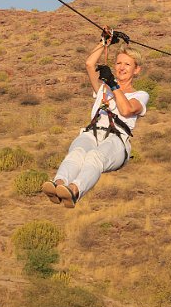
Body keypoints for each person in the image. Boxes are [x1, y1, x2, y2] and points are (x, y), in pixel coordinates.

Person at [42, 30, 149, 208]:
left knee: (94, 157)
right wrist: (104, 42)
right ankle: (59, 185)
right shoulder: (103, 89)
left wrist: (113, 84)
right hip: (93, 132)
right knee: (77, 152)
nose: (121, 68)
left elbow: (126, 109)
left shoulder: (140, 95)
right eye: (119, 63)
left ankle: (74, 190)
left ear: (136, 70)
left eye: (127, 65)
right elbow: (89, 64)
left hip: (117, 141)